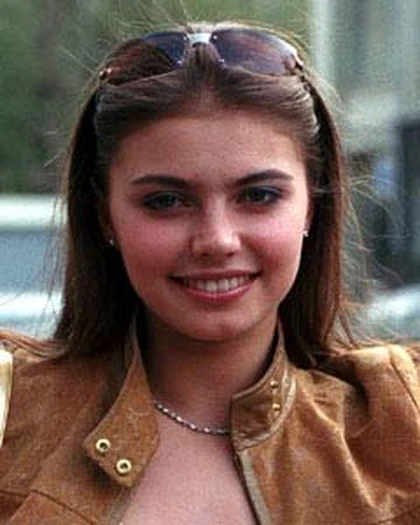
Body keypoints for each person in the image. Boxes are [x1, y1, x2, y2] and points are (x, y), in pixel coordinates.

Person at [1, 21, 419, 524]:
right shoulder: (13, 414)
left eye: (258, 195)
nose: (217, 240)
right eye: (166, 201)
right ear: (105, 215)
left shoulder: (398, 423)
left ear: (312, 203)